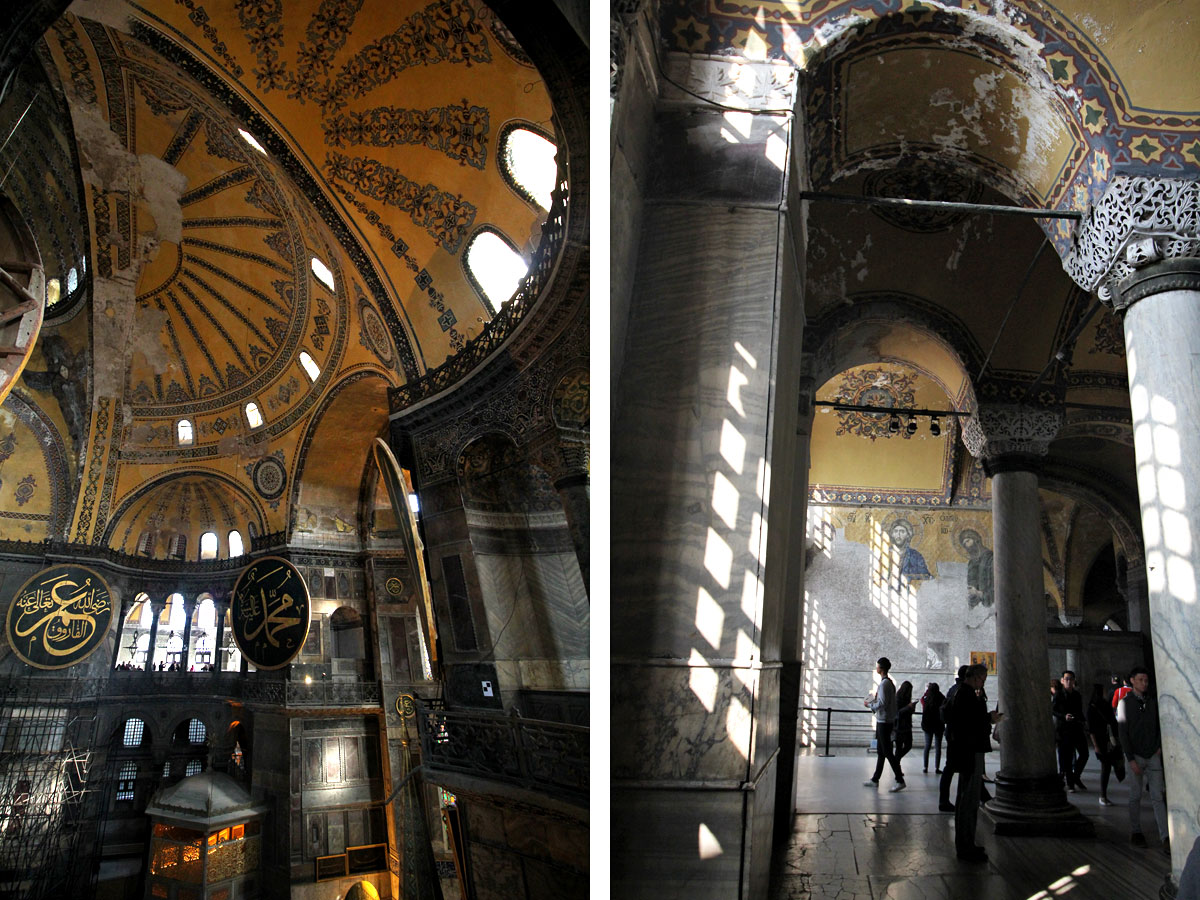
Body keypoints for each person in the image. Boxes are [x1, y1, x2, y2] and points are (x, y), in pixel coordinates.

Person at [948, 663, 1002, 861]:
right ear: (976, 677)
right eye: (982, 680)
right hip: (970, 752)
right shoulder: (967, 694)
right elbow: (969, 724)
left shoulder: (961, 693)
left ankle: (966, 844)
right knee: (969, 801)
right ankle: (965, 846)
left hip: (966, 752)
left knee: (967, 799)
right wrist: (989, 718)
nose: (983, 684)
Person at [1117, 666, 1170, 851]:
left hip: (1152, 754)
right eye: (1140, 680)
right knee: (1135, 795)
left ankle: (1165, 837)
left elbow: (1159, 725)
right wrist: (1130, 758)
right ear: (1132, 680)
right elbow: (1122, 732)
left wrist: (1158, 747)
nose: (1144, 683)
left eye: (1146, 680)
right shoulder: (1124, 703)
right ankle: (1136, 831)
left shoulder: (1152, 702)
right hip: (1135, 756)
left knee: (1157, 796)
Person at [863, 656, 905, 792]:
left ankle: (900, 779)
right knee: (882, 752)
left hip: (884, 721)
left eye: (877, 666)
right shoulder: (888, 683)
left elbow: (882, 703)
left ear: (881, 668)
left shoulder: (884, 684)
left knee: (887, 751)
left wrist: (870, 705)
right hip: (886, 720)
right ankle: (875, 779)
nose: (876, 668)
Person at [938, 665, 969, 811]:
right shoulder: (963, 691)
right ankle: (944, 801)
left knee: (953, 767)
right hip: (958, 734)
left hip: (951, 732)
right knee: (956, 767)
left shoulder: (953, 689)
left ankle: (945, 800)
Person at [1052, 669, 1089, 791]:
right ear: (1062, 681)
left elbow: (1079, 710)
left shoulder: (1077, 695)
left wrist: (1083, 721)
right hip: (1064, 729)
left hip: (1076, 727)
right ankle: (1070, 782)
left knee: (1084, 753)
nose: (1069, 681)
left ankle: (1075, 776)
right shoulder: (1058, 694)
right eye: (1066, 679)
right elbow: (1053, 710)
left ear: (1074, 681)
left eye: (1071, 679)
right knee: (1067, 757)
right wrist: (1064, 716)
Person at [1087, 682, 1122, 806]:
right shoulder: (1099, 706)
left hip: (1104, 740)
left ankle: (1103, 795)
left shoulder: (1095, 706)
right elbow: (1111, 722)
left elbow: (1092, 729)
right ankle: (1103, 795)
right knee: (1106, 767)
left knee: (1106, 767)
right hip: (1106, 740)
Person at [920, 681, 944, 774]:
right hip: (938, 725)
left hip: (928, 725)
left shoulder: (926, 699)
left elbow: (922, 699)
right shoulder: (941, 698)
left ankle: (925, 767)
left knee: (927, 746)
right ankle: (937, 767)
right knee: (938, 747)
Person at [895, 680, 916, 778]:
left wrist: (911, 708)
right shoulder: (897, 699)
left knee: (908, 745)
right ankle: (897, 768)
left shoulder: (906, 699)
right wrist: (908, 707)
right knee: (900, 748)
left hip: (906, 726)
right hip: (900, 727)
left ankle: (896, 761)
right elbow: (897, 713)